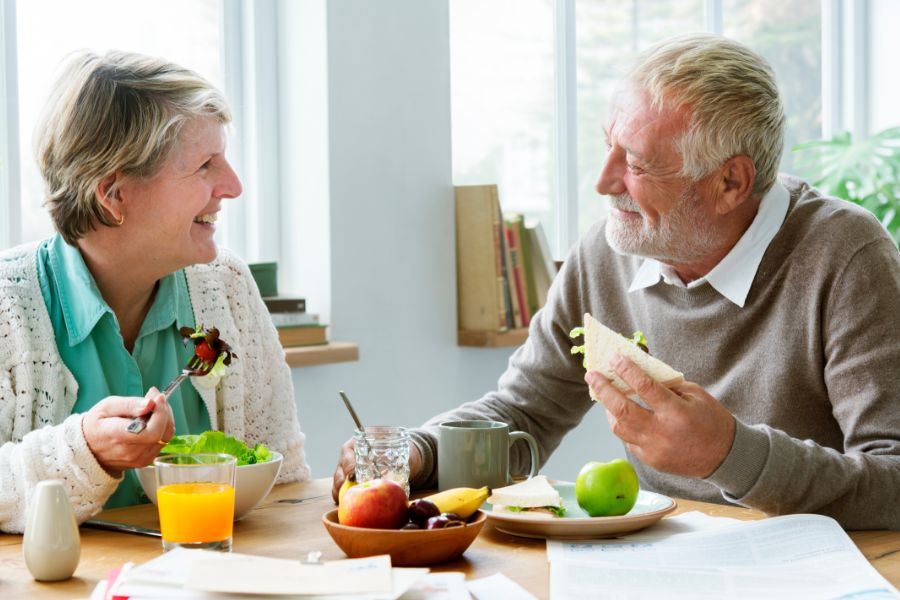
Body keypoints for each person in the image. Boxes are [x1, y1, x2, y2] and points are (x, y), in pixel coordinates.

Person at [333, 34, 900, 529]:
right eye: (609, 146)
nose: (604, 183)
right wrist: (420, 450)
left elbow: (893, 481)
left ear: (730, 182)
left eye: (636, 162)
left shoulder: (846, 255)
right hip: (658, 559)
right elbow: (524, 411)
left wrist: (728, 454)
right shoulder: (607, 250)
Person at [0, 51, 310, 533]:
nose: (233, 185)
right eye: (206, 164)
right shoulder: (7, 304)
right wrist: (84, 450)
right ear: (114, 194)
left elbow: (284, 481)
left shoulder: (226, 286)